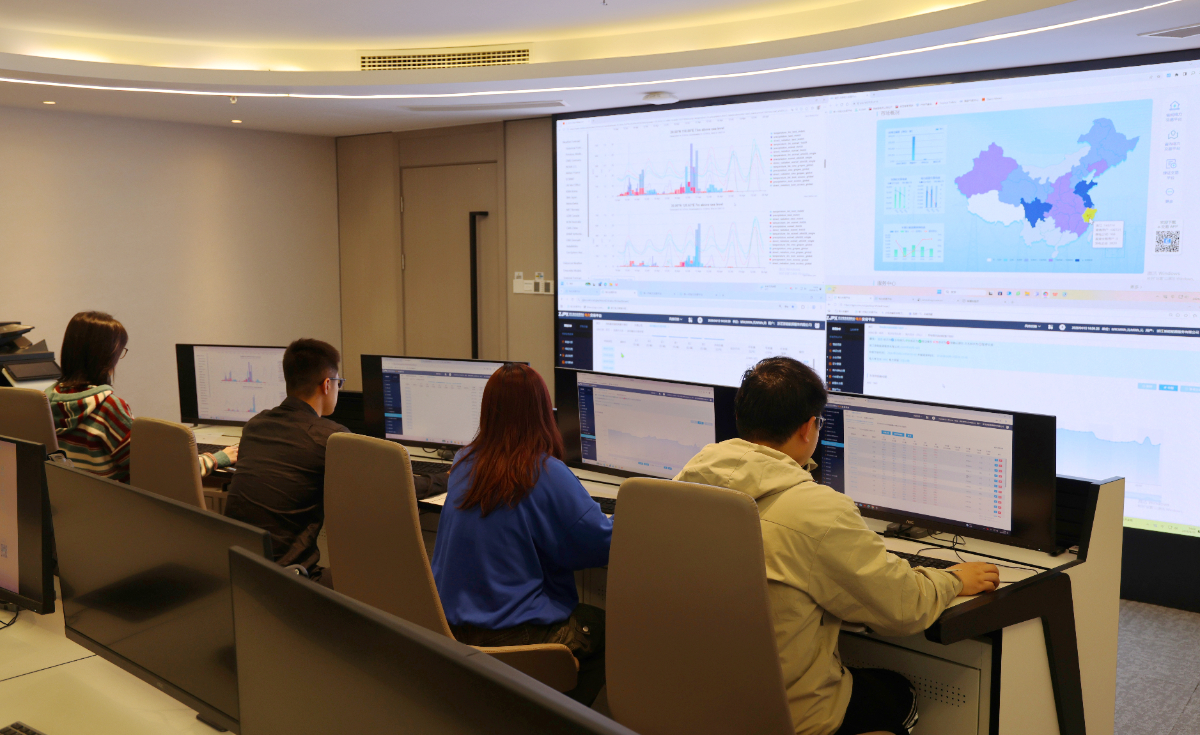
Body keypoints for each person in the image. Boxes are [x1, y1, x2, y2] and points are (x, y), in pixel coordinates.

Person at [674, 357, 1000, 735]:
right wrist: (953, 580)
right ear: (808, 428)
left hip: (691, 702)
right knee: (898, 694)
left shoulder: (684, 483)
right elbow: (903, 607)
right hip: (785, 716)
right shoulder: (818, 511)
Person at [431, 363, 612, 706]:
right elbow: (601, 543)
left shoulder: (464, 462)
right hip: (515, 637)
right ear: (542, 412)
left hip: (448, 628)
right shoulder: (545, 471)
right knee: (608, 628)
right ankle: (561, 718)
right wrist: (633, 514)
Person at [46, 311, 235, 484]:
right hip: (113, 506)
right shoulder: (107, 408)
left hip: (72, 505)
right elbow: (154, 471)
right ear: (105, 356)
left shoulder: (45, 402)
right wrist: (217, 458)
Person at [224, 338, 346, 584]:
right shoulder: (330, 437)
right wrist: (433, 480)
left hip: (238, 569)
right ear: (327, 385)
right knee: (373, 582)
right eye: (338, 383)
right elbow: (385, 482)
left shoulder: (255, 425)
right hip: (288, 579)